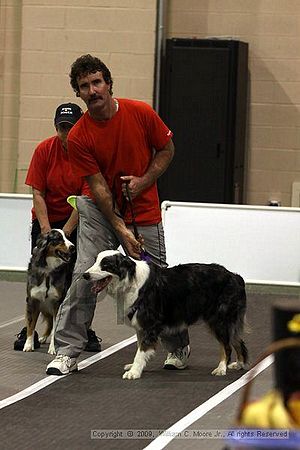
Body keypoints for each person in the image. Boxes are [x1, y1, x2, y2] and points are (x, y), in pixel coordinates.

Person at [46, 54, 190, 375]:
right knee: (86, 272)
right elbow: (98, 189)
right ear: (79, 94)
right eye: (85, 86)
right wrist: (121, 229)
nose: (93, 90)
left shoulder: (141, 113)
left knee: (158, 278)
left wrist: (143, 182)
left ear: (109, 84)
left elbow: (167, 150)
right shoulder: (80, 135)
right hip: (99, 209)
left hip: (143, 204)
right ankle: (68, 351)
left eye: (97, 82)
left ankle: (177, 345)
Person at [14, 103, 101, 353]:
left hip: (77, 217)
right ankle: (29, 326)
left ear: (80, 128)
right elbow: (37, 192)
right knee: (37, 276)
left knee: (77, 276)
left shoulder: (86, 152)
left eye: (71, 128)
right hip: (46, 220)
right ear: (56, 128)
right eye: (62, 128)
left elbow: (84, 197)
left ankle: (80, 327)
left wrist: (67, 231)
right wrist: (45, 230)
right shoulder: (44, 150)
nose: (66, 133)